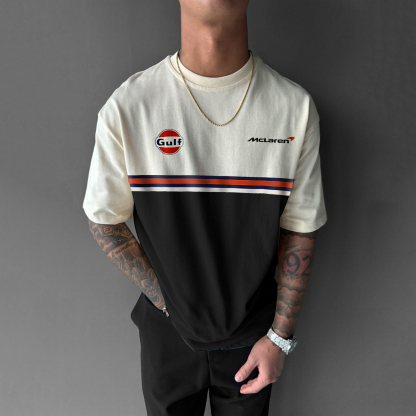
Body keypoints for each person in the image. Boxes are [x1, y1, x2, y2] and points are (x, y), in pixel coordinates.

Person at [82, 0, 328, 414]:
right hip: (167, 338)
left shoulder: (294, 107)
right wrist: (168, 303)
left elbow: (300, 230)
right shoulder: (130, 105)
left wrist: (280, 338)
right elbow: (104, 221)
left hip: (255, 339)